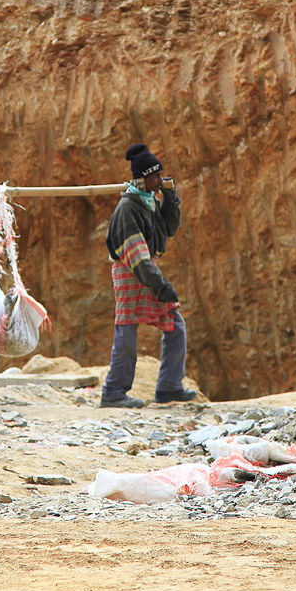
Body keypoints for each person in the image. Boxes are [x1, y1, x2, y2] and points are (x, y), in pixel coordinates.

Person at [100, 143, 196, 408]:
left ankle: (169, 387)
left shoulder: (150, 199)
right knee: (127, 330)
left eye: (160, 175)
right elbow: (137, 256)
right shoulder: (127, 208)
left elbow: (169, 229)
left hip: (146, 268)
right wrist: (161, 285)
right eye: (154, 176)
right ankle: (114, 392)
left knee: (174, 323)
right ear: (141, 178)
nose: (159, 180)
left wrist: (171, 199)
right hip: (130, 270)